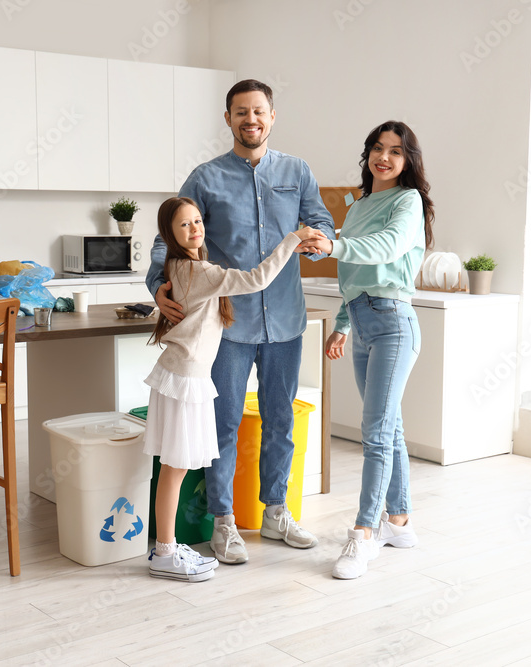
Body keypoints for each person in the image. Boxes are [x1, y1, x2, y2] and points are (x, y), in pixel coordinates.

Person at [146, 79, 335, 564]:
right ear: (227, 118)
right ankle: (224, 521)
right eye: (240, 112)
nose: (250, 120)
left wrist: (320, 238)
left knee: (280, 421)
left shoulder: (298, 171)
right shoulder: (206, 178)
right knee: (224, 424)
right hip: (228, 328)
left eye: (259, 112)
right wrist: (160, 287)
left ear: (272, 117)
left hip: (287, 321)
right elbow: (166, 237)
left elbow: (321, 220)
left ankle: (276, 513)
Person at [144, 196, 324, 582]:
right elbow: (257, 279)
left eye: (197, 221)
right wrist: (291, 239)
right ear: (169, 234)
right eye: (184, 225)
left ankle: (166, 548)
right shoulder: (201, 271)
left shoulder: (180, 267)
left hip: (180, 377)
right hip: (185, 381)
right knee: (174, 469)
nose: (194, 228)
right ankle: (165, 552)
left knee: (173, 469)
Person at [298, 120, 434, 579]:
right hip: (361, 322)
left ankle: (363, 535)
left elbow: (387, 248)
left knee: (374, 433)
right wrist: (340, 324)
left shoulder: (407, 201)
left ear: (407, 161)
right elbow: (354, 276)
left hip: (395, 323)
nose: (385, 157)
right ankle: (399, 521)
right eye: (378, 148)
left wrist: (335, 243)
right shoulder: (360, 205)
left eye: (396, 152)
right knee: (389, 429)